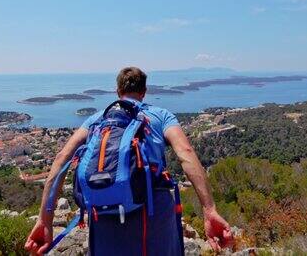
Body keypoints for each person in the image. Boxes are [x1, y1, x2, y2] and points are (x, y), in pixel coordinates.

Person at [25, 67, 233, 255]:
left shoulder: (97, 120)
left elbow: (62, 159)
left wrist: (45, 220)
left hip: (104, 215)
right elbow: (185, 152)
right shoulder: (161, 115)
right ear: (144, 92)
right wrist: (209, 209)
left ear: (117, 92)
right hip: (154, 215)